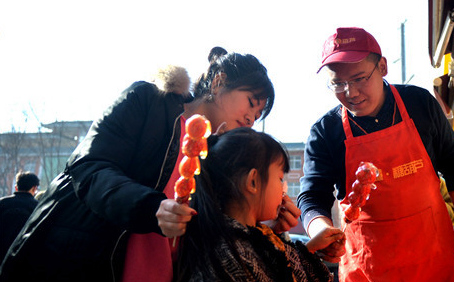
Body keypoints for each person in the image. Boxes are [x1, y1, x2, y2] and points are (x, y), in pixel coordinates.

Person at [0, 47, 300, 282]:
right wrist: (151, 208)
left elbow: (218, 228)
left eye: (259, 114)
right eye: (251, 102)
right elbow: (88, 166)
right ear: (220, 82)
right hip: (82, 258)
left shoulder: (217, 156)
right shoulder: (148, 101)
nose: (252, 119)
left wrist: (268, 224)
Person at [297, 27, 454, 282]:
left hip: (433, 260)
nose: (350, 92)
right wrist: (321, 230)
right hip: (368, 266)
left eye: (359, 78)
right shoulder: (326, 131)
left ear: (383, 67)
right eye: (337, 83)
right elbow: (312, 195)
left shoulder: (418, 103)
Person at [174, 127, 344, 282]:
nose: (283, 190)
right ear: (253, 182)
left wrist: (310, 248)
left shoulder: (254, 237)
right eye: (279, 179)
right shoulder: (229, 254)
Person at [0, 172, 40, 260]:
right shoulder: (38, 208)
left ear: (16, 187)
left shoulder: (2, 203)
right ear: (34, 188)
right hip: (23, 257)